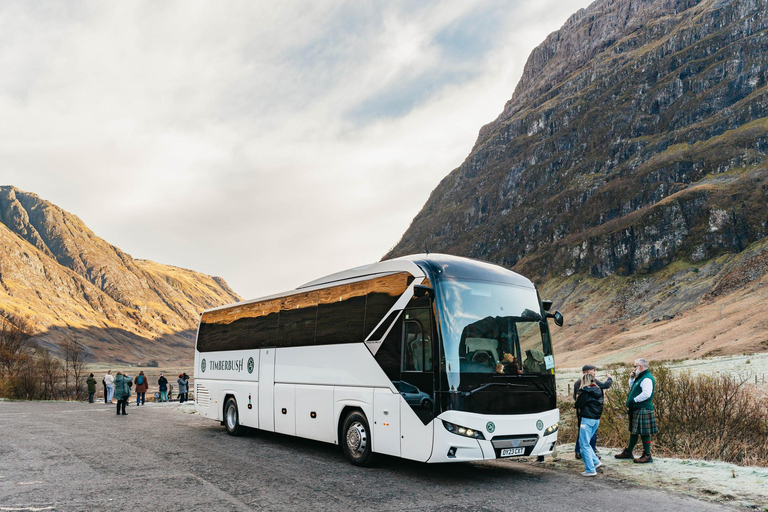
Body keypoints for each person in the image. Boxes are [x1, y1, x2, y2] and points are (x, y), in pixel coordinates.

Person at [615, 358, 657, 463]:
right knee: (634, 432)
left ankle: (647, 455)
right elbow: (633, 388)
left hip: (643, 408)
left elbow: (647, 394)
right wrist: (632, 378)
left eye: (635, 366)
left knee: (644, 433)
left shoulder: (647, 378)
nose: (634, 368)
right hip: (638, 408)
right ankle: (628, 452)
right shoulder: (640, 377)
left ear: (641, 367)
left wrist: (634, 400)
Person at [573, 364, 612, 459]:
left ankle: (579, 452)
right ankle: (591, 453)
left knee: (582, 433)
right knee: (592, 434)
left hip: (583, 412)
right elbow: (606, 385)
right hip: (591, 414)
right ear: (589, 372)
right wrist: (609, 378)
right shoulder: (592, 382)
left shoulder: (578, 382)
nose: (594, 372)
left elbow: (576, 400)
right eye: (593, 370)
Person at [574, 373, 604, 476]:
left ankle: (590, 470)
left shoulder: (585, 391)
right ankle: (595, 462)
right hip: (596, 419)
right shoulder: (598, 390)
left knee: (584, 445)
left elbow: (578, 404)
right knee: (587, 443)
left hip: (587, 419)